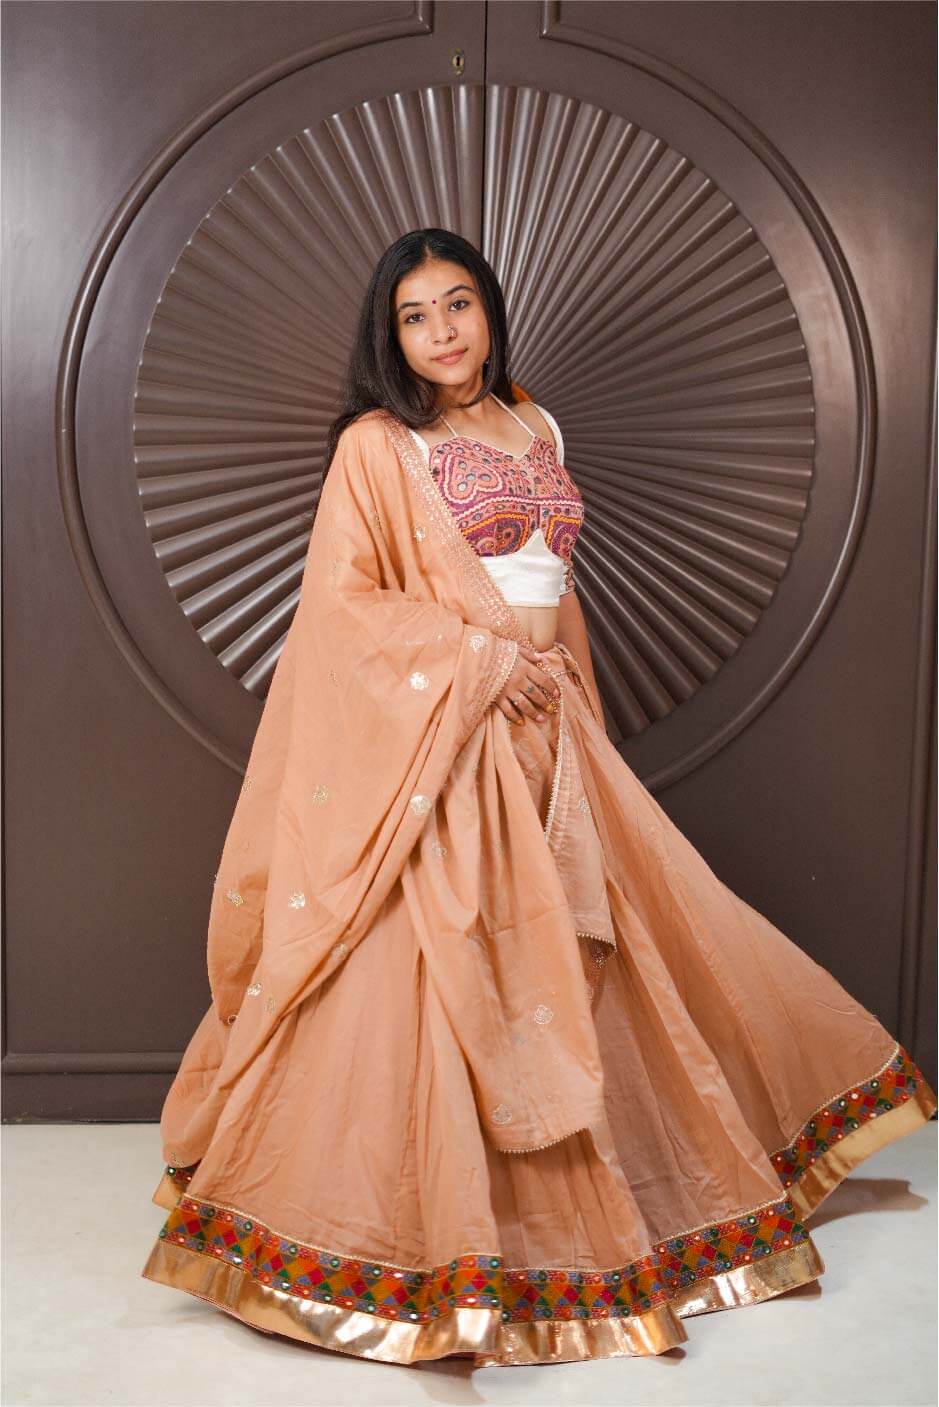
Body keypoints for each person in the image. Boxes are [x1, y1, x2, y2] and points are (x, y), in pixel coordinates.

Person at [140, 228, 936, 1368]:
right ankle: (423, 1243)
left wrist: (582, 723)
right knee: (437, 968)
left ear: (490, 311)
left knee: (616, 947)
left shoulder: (538, 426)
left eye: (458, 303)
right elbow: (342, 606)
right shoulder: (378, 446)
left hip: (547, 727)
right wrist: (477, 664)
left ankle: (626, 1198)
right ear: (391, 335)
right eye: (416, 315)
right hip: (449, 738)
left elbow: (559, 593)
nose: (442, 331)